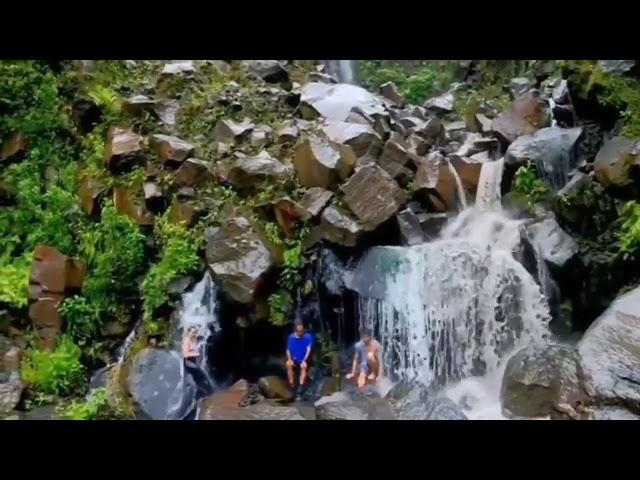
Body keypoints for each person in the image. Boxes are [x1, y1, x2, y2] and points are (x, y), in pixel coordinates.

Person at [286, 322, 313, 397]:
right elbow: (288, 350)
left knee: (303, 366)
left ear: (304, 330)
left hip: (303, 358)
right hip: (294, 358)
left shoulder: (308, 337)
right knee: (288, 364)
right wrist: (290, 359)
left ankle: (301, 386)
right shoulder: (291, 337)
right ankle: (291, 384)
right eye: (298, 331)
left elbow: (308, 349)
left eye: (301, 331)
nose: (300, 333)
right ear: (295, 330)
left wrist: (304, 360)